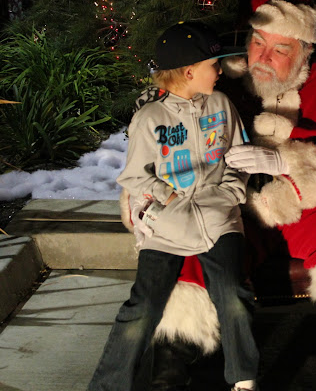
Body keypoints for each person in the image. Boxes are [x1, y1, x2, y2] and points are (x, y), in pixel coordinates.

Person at [149, 0, 316, 391]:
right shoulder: (215, 80)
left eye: (280, 49)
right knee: (186, 242)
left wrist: (287, 163)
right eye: (258, 43)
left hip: (300, 205)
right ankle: (170, 364)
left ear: (304, 51)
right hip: (231, 208)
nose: (263, 56)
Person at [89, 21, 259, 391]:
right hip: (166, 226)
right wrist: (166, 200)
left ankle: (244, 381)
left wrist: (229, 193)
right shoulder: (150, 118)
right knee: (143, 306)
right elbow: (135, 176)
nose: (220, 71)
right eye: (213, 64)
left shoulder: (222, 105)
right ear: (188, 72)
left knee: (232, 293)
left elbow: (240, 157)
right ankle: (107, 386)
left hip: (218, 218)